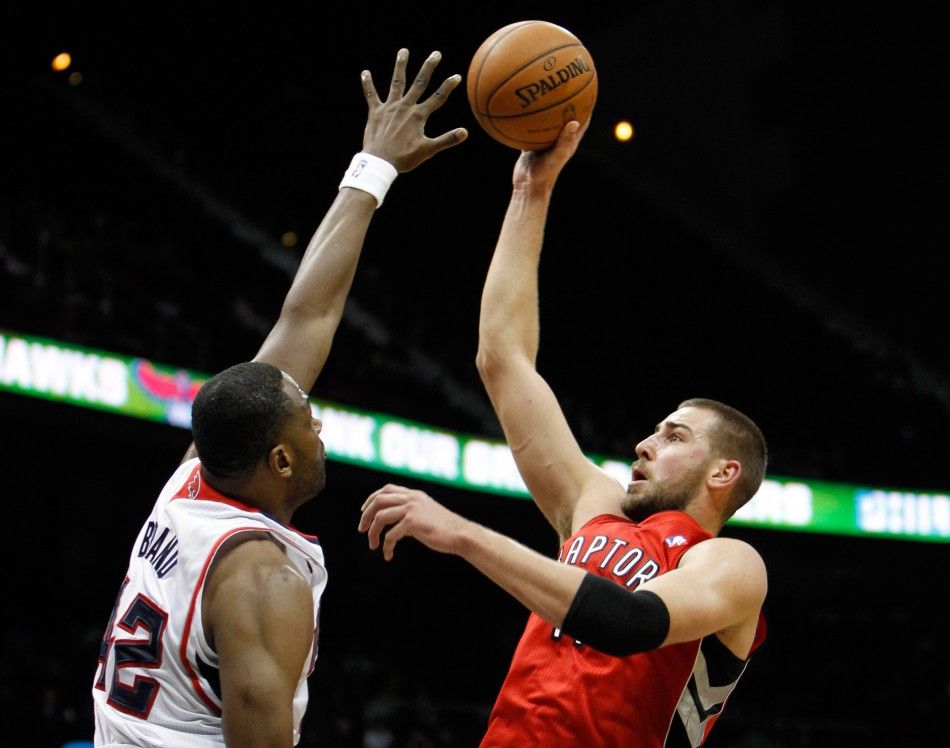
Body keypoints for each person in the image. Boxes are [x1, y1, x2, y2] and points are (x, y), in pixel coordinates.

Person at [92, 48, 467, 747]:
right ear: (281, 461)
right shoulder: (264, 581)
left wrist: (374, 168)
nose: (318, 423)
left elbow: (306, 318)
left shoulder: (193, 479)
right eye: (308, 425)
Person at [358, 119, 769, 747]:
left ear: (724, 473)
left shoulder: (730, 565)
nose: (645, 443)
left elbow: (629, 622)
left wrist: (464, 534)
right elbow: (501, 357)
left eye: (675, 436)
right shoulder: (593, 507)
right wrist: (531, 190)